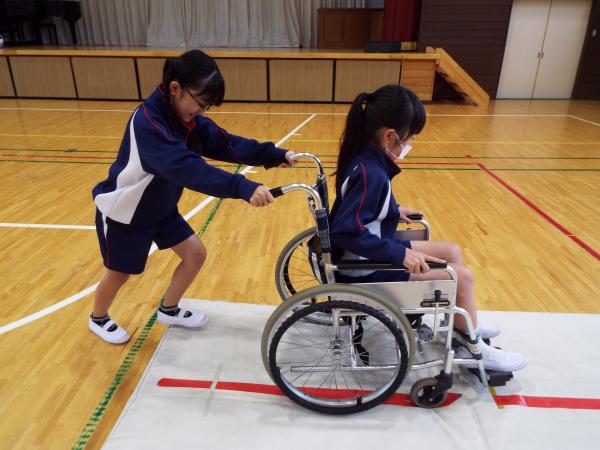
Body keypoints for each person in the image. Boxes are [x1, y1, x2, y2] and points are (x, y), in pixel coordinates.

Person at [90, 50, 295, 344]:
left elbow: (227, 143)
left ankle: (168, 309)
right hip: (127, 211)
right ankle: (98, 317)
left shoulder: (184, 118)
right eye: (200, 103)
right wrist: (243, 187)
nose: (201, 112)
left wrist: (273, 155)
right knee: (120, 273)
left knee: (195, 254)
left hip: (159, 207)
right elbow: (188, 169)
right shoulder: (148, 124)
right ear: (175, 88)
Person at [329, 84, 527, 372]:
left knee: (451, 251)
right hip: (364, 267)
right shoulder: (372, 173)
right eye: (409, 138)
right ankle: (473, 348)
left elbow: (359, 209)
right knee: (463, 277)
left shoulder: (366, 160)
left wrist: (393, 210)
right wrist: (399, 255)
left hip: (370, 252)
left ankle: (460, 325)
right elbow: (345, 230)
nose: (409, 145)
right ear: (389, 136)